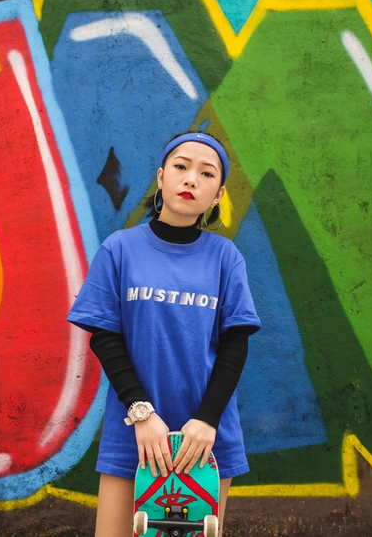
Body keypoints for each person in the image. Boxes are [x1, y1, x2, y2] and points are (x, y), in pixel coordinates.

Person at [67, 131, 261, 536]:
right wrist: (141, 413)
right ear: (161, 177)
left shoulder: (226, 258)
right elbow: (104, 336)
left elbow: (235, 344)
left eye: (206, 173)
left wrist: (206, 421)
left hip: (204, 440)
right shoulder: (120, 250)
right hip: (135, 434)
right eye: (181, 166)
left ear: (218, 194)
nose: (191, 179)